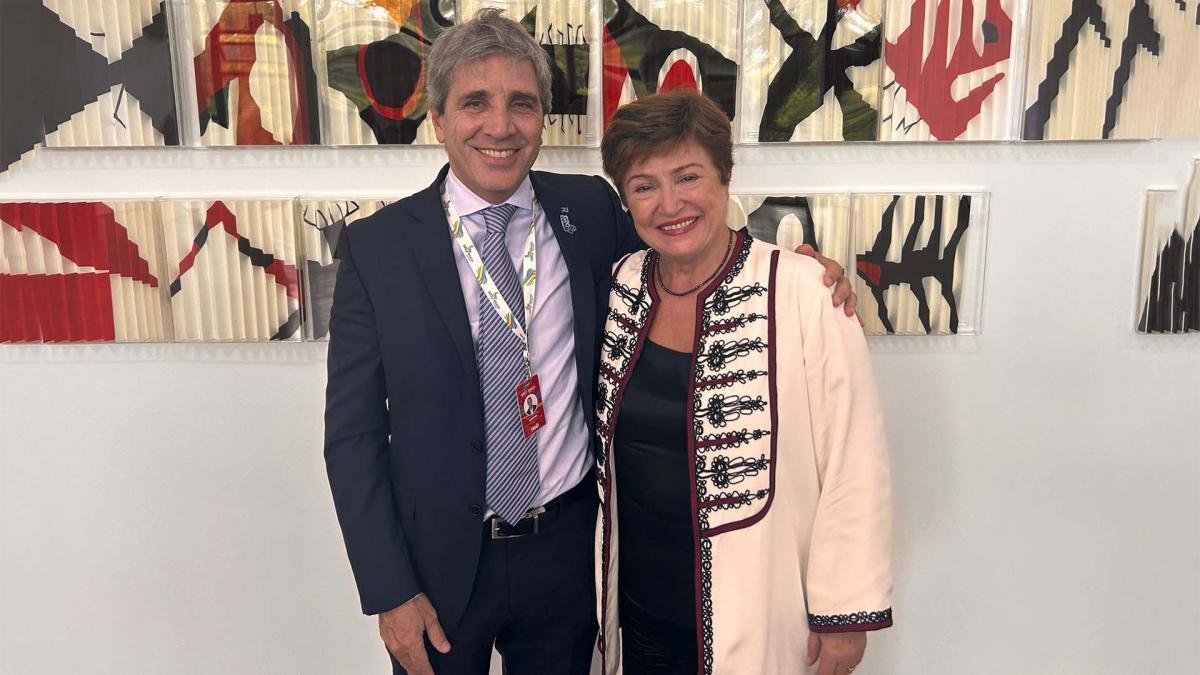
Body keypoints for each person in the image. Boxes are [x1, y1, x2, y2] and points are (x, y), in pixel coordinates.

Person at [323, 10, 856, 675]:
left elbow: (684, 248)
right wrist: (388, 588)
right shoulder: (378, 249)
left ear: (543, 118)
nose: (500, 125)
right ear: (437, 118)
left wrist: (792, 271)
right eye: (475, 102)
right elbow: (352, 436)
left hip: (569, 554)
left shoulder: (592, 209)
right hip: (437, 564)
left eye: (522, 103)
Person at [594, 90, 893, 675]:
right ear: (625, 200)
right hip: (640, 608)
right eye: (644, 186)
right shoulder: (618, 282)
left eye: (688, 177)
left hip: (760, 605)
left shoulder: (805, 291)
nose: (670, 204)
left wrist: (845, 613)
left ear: (725, 176)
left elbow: (854, 458)